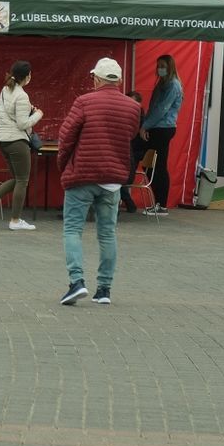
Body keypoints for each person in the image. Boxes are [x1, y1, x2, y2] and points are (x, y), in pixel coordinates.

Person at [57, 57, 142, 306]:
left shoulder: (84, 101)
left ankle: (76, 282)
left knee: (73, 229)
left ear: (96, 79)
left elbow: (66, 137)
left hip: (83, 174)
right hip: (113, 179)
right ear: (120, 81)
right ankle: (104, 289)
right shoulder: (133, 107)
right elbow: (130, 136)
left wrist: (65, 166)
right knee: (107, 233)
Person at [0, 61, 43, 231]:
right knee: (23, 180)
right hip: (17, 141)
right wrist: (38, 115)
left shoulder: (5, 90)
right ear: (28, 76)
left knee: (17, 179)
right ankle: (15, 220)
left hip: (3, 140)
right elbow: (23, 124)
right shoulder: (22, 96)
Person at [139, 54, 183, 217]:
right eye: (158, 66)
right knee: (149, 164)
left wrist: (145, 126)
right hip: (156, 127)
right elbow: (153, 107)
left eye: (163, 66)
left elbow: (162, 109)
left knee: (158, 166)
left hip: (163, 128)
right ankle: (157, 202)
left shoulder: (173, 85)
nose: (160, 69)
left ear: (170, 67)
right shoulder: (161, 84)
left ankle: (161, 204)